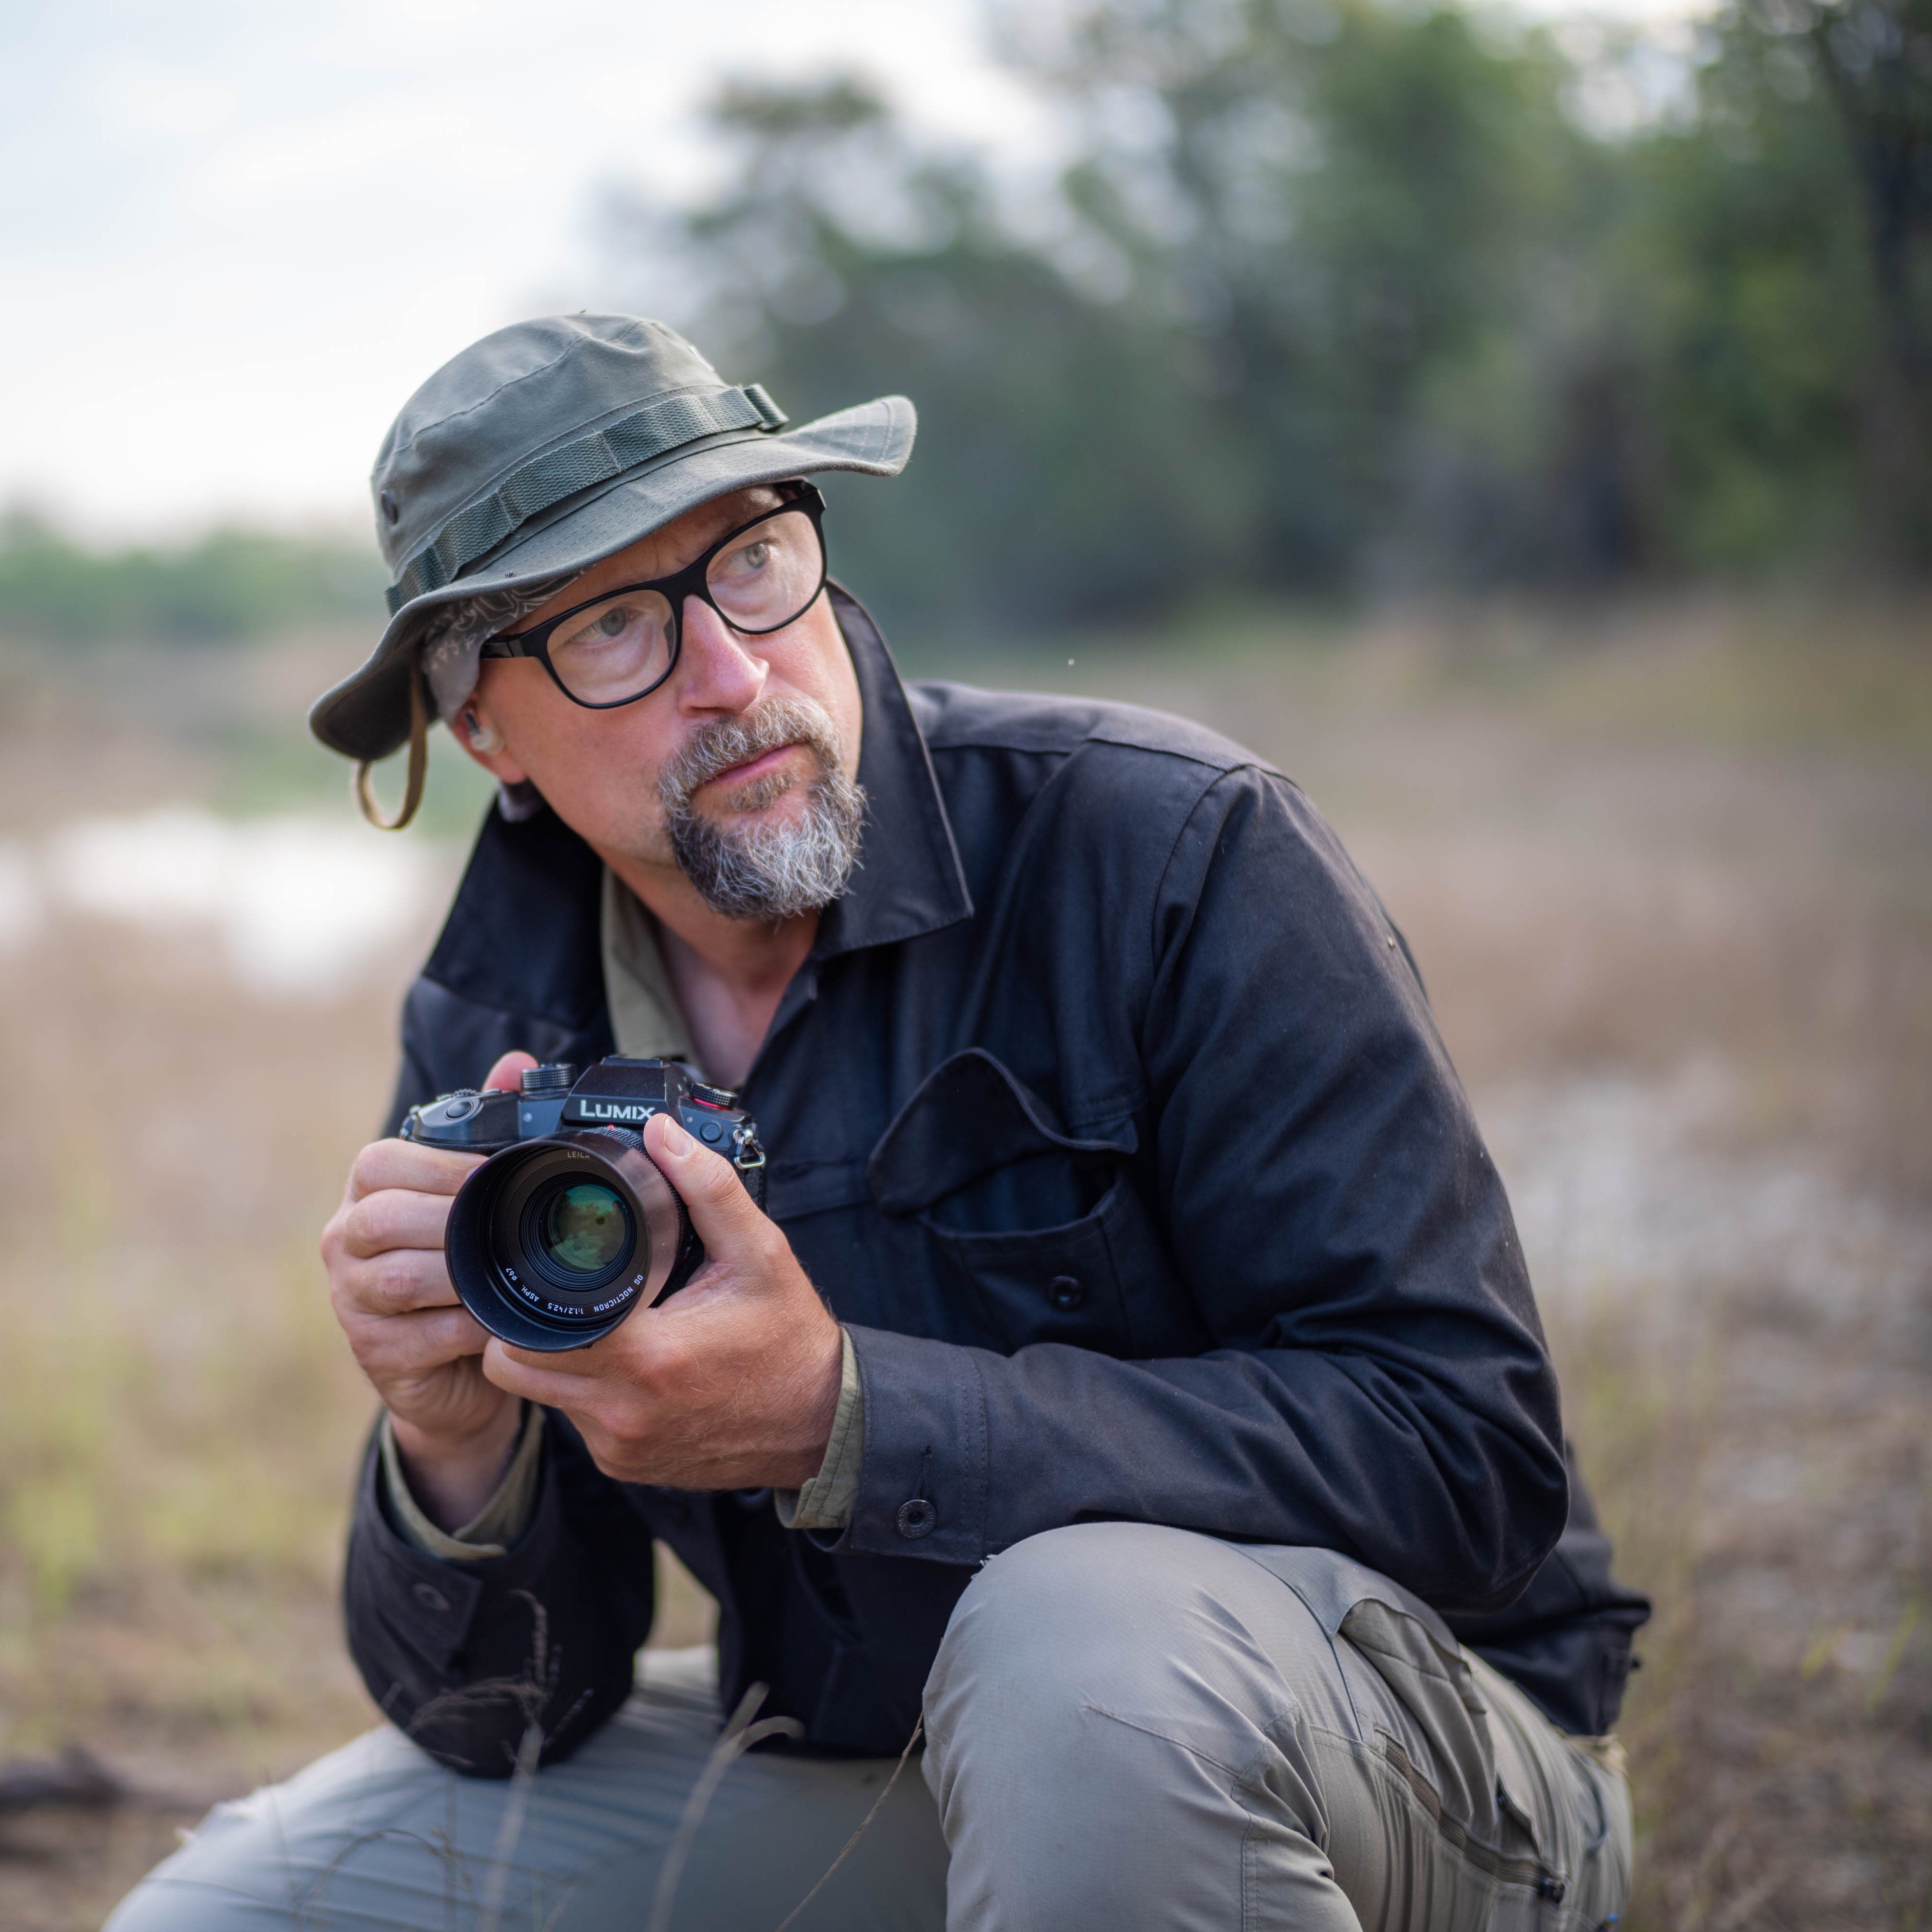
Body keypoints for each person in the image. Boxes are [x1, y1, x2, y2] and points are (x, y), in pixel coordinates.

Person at [106, 313, 1649, 1932]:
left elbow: (1467, 1454)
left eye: (756, 561)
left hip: (1419, 1767)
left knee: (1073, 1656)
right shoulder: (499, 1026)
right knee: (241, 1912)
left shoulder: (1169, 850)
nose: (736, 670)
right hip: (896, 1761)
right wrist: (453, 1444)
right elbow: (505, 1723)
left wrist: (843, 1416)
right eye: (615, 628)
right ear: (481, 726)